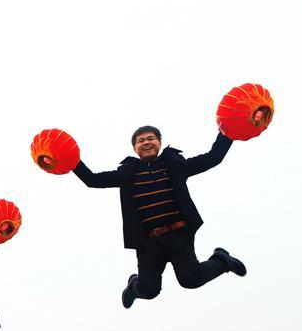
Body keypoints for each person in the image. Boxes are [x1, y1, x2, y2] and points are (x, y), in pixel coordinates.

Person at [72, 126, 246, 308]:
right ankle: (133, 286)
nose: (146, 142)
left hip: (179, 235)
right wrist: (71, 160)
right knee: (149, 290)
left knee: (190, 279)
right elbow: (91, 180)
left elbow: (213, 158)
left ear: (159, 143)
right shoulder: (126, 175)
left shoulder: (175, 165)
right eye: (140, 141)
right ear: (135, 148)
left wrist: (226, 133)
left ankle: (221, 261)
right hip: (149, 243)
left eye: (151, 138)